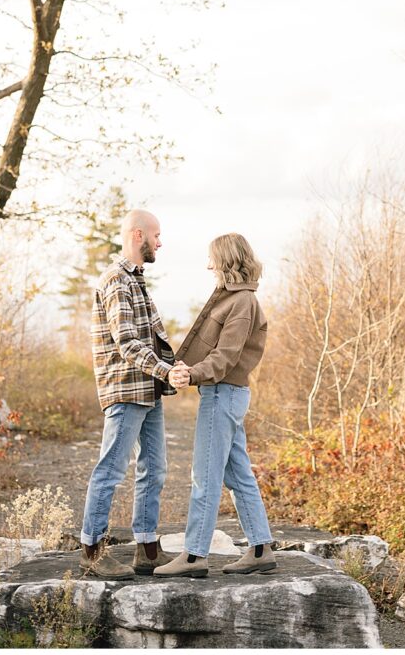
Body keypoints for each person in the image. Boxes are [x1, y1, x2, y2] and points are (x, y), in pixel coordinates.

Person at [155, 233, 277, 578]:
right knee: (238, 473)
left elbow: (225, 356)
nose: (209, 266)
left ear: (226, 260)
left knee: (204, 477)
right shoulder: (235, 299)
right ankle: (260, 548)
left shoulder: (241, 303)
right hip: (227, 393)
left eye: (212, 259)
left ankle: (194, 556)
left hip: (223, 392)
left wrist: (191, 374)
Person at [79, 209, 177, 579]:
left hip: (147, 389)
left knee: (155, 468)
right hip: (125, 390)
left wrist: (174, 369)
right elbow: (128, 344)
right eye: (156, 235)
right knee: (111, 469)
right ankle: (92, 551)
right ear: (138, 235)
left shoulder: (135, 281)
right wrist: (168, 370)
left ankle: (147, 550)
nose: (160, 242)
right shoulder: (116, 281)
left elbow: (153, 337)